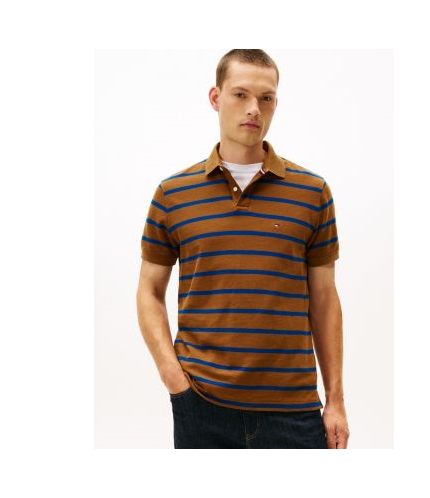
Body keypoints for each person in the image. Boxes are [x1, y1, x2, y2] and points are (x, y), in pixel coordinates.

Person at [137, 49, 349, 449]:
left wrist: (335, 400)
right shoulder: (172, 194)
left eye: (266, 98)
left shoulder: (312, 192)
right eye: (241, 94)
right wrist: (172, 377)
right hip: (202, 406)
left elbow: (325, 298)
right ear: (216, 97)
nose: (254, 108)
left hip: (294, 411)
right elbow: (149, 290)